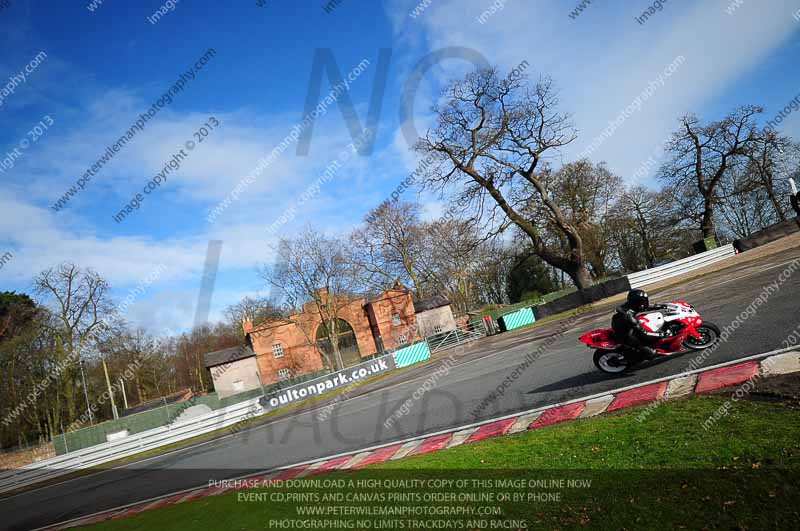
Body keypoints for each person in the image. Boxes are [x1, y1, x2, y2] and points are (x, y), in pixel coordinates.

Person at [611, 289, 668, 359]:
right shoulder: (629, 316)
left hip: (623, 325)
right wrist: (660, 334)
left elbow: (644, 307)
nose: (645, 302)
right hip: (626, 334)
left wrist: (660, 306)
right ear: (637, 302)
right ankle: (637, 357)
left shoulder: (631, 305)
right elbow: (644, 333)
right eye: (643, 301)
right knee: (651, 353)